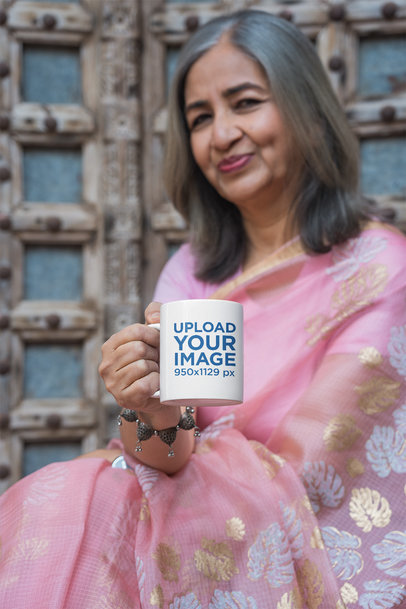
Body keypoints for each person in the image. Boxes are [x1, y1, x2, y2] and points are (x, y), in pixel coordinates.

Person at [1, 10, 405, 608]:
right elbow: (170, 453)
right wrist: (151, 409)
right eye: (200, 118)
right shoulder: (191, 274)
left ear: (310, 113)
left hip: (296, 544)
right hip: (189, 525)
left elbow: (328, 467)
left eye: (245, 103)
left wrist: (205, 477)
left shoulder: (379, 268)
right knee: (63, 499)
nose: (221, 135)